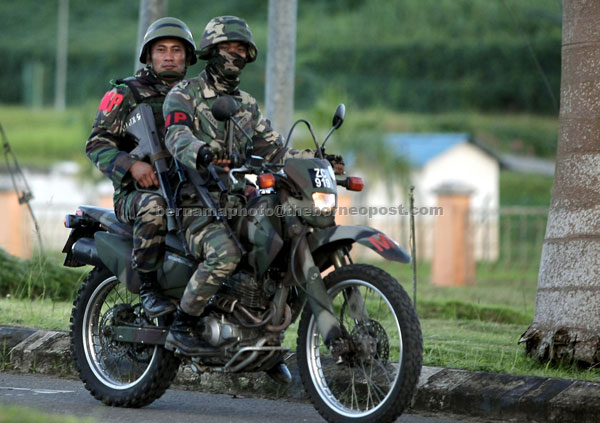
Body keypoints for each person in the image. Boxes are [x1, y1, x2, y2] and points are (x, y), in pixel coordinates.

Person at [162, 15, 346, 384]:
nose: (235, 55)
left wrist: (317, 159)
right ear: (211, 52)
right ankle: (181, 324)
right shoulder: (184, 94)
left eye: (241, 49)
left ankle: (263, 340)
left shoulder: (246, 104)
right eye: (227, 48)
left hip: (240, 201)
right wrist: (201, 152)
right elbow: (176, 135)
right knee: (226, 254)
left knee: (283, 251)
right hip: (196, 202)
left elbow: (275, 150)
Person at [86, 17, 197, 319]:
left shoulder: (198, 96)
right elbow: (96, 145)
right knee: (153, 206)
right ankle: (148, 286)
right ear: (149, 56)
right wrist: (131, 165)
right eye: (161, 50)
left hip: (192, 190)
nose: (169, 56)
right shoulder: (126, 93)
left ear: (187, 56)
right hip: (138, 194)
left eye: (176, 50)